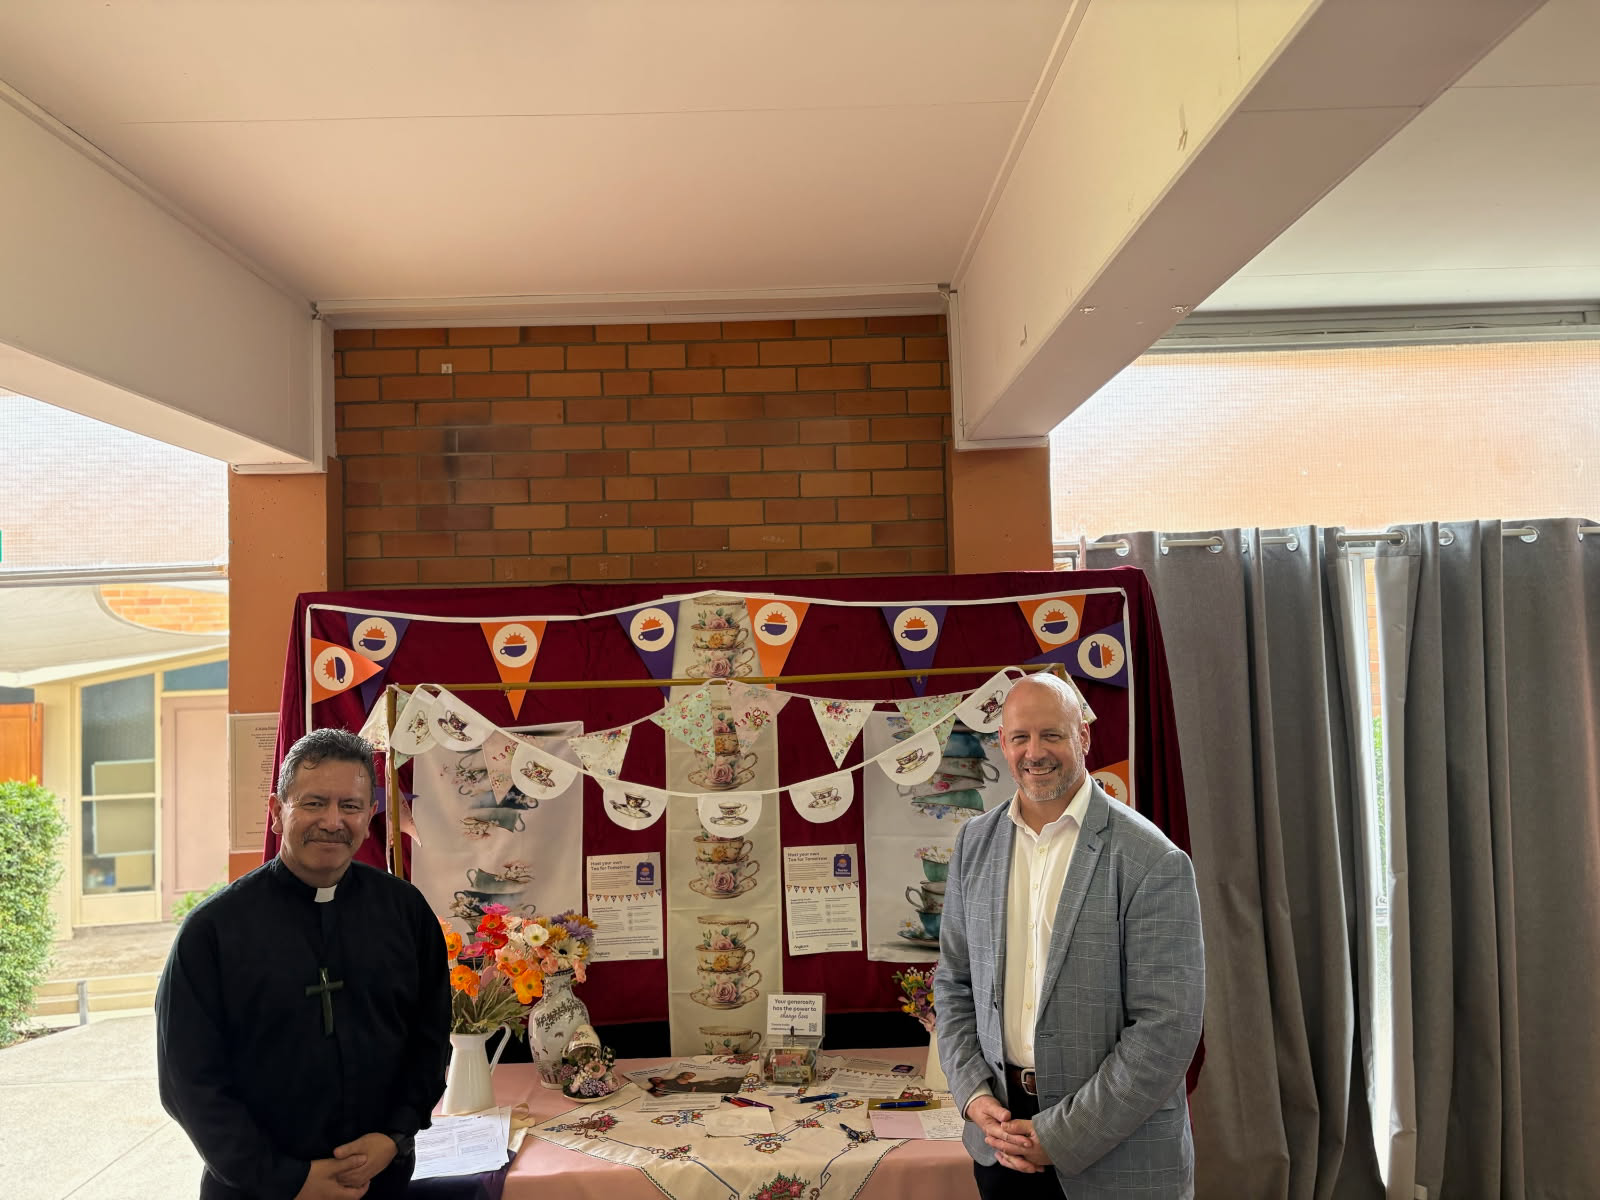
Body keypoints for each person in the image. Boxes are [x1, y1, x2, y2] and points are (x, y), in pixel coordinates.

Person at [934, 673, 1204, 1199]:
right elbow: (954, 984)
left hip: (1117, 1156)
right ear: (1002, 746)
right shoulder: (974, 843)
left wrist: (1059, 1134)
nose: (1035, 753)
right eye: (1020, 738)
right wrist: (971, 1094)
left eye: (1051, 735)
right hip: (1002, 1143)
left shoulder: (1153, 860)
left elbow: (1167, 1029)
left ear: (1083, 736)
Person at [157, 728, 451, 1200]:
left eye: (350, 806)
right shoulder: (213, 931)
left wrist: (393, 1135)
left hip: (380, 1180)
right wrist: (287, 1179)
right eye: (313, 803)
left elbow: (431, 1035)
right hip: (256, 1189)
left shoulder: (405, 912)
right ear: (277, 812)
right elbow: (187, 1080)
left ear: (369, 813)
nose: (333, 821)